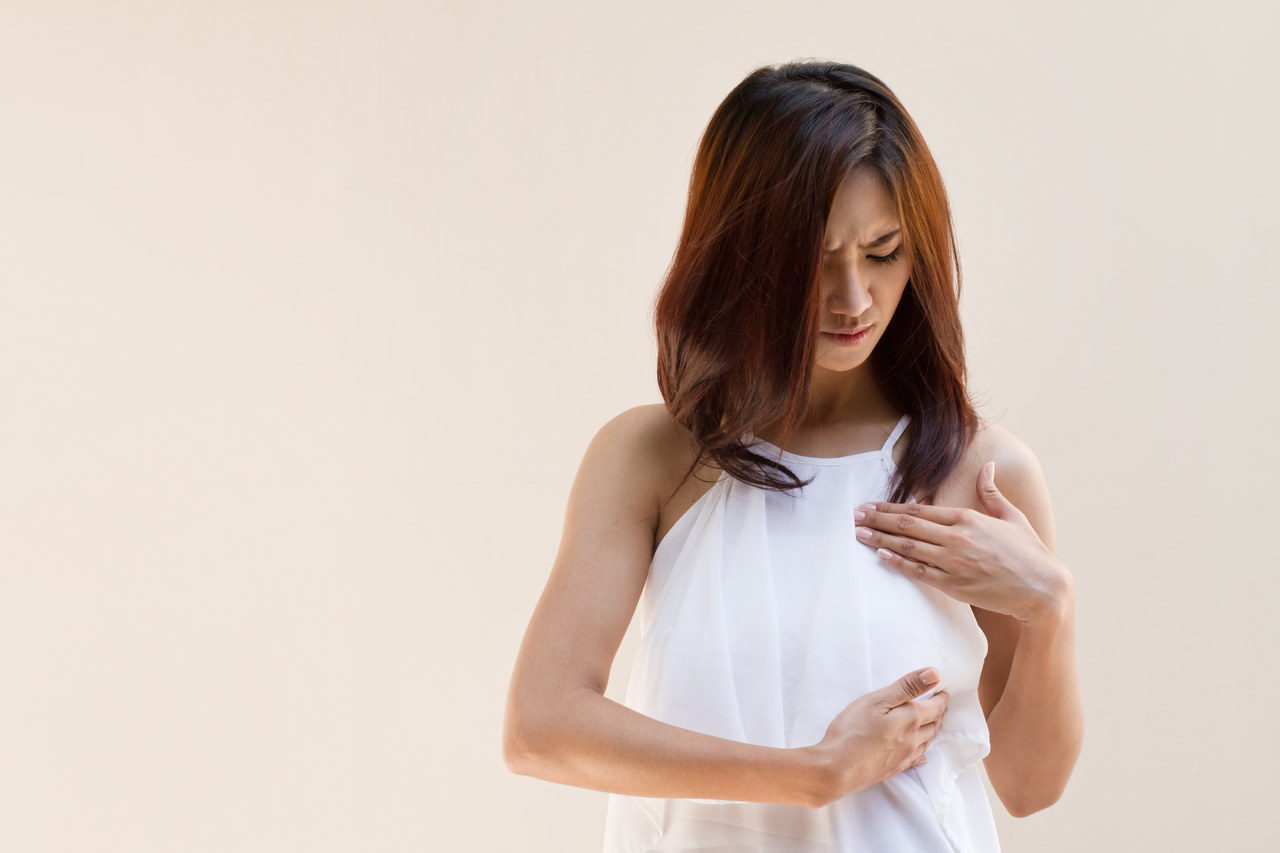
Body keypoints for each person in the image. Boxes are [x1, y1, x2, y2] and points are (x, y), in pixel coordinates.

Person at [502, 60, 1083, 852]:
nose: (854, 298)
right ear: (742, 252)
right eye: (815, 259)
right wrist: (811, 773)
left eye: (884, 252)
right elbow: (540, 725)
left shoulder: (977, 471)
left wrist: (1049, 610)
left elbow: (1028, 787)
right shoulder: (653, 459)